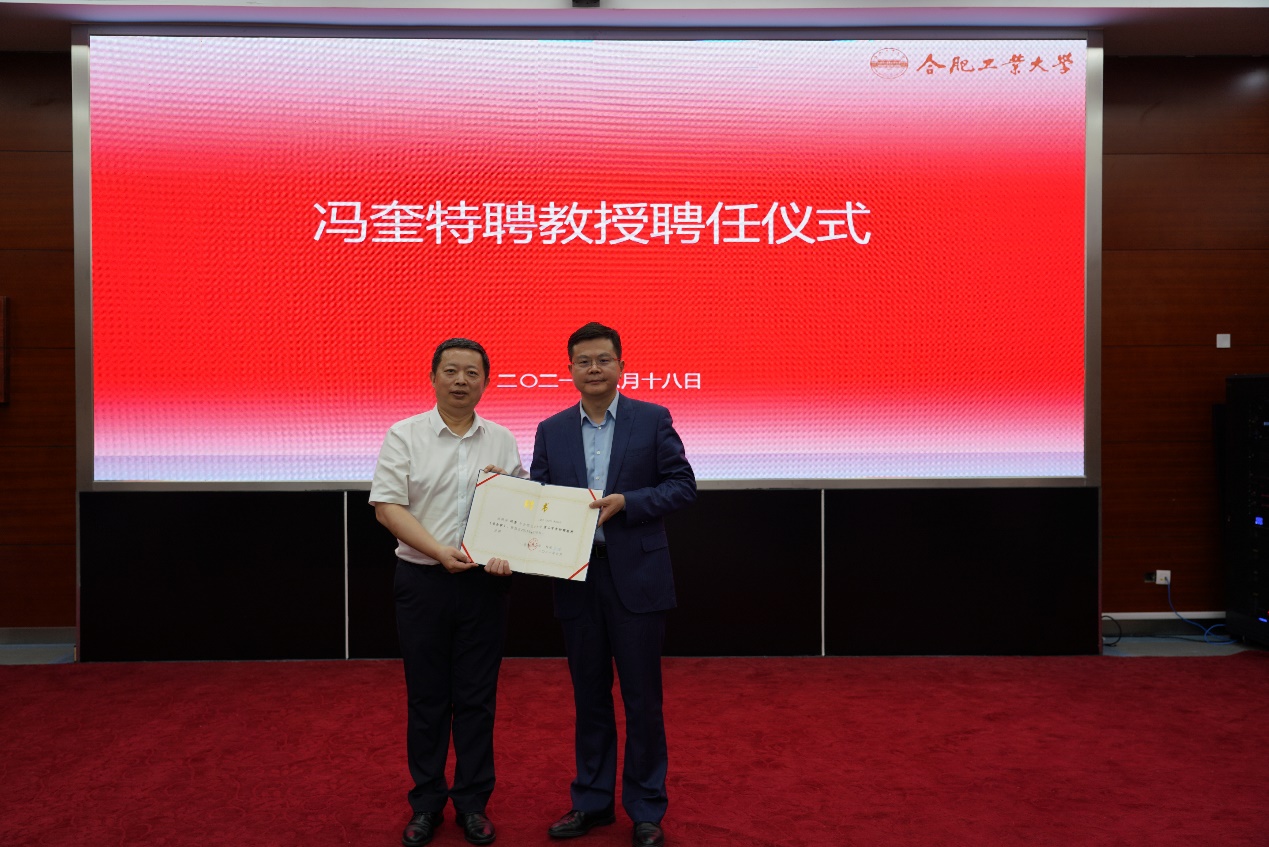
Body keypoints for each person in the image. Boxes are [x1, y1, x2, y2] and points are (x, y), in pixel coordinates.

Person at [531, 322, 697, 847]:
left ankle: (646, 809)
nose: (594, 369)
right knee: (589, 697)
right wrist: (504, 492)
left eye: (603, 360)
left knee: (643, 699)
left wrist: (629, 503)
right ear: (570, 369)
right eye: (584, 361)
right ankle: (592, 802)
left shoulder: (652, 419)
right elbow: (538, 496)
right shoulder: (551, 429)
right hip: (576, 578)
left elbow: (682, 486)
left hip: (638, 579)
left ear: (622, 366)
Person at [369, 338, 523, 847]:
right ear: (433, 377)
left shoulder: (501, 439)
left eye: (472, 373)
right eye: (451, 371)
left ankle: (473, 804)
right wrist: (438, 551)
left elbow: (519, 512)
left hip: (484, 586)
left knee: (478, 699)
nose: (461, 380)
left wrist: (507, 546)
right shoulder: (405, 434)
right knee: (427, 698)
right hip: (423, 583)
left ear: (486, 381)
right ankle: (427, 804)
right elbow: (388, 507)